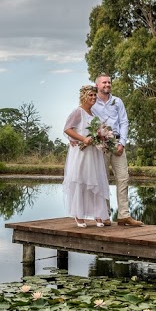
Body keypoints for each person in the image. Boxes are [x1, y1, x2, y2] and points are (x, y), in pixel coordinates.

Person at [92, 73, 143, 226]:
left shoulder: (117, 101)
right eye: (104, 82)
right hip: (100, 144)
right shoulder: (92, 102)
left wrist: (122, 143)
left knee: (123, 178)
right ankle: (104, 215)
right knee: (102, 180)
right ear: (97, 85)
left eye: (109, 82)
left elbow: (124, 122)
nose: (107, 85)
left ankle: (123, 215)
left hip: (117, 142)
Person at [62, 85, 110, 227]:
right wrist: (83, 139)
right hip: (81, 153)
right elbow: (67, 129)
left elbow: (98, 131)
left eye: (95, 95)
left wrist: (102, 137)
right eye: (90, 95)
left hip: (93, 153)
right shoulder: (78, 112)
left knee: (95, 181)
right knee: (81, 180)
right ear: (84, 96)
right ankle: (79, 215)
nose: (93, 98)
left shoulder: (94, 115)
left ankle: (98, 214)